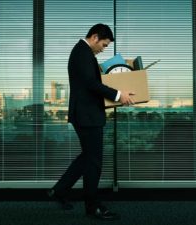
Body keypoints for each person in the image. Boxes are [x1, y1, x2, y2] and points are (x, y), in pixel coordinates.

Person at [47, 23, 134, 221]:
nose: (103, 49)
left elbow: (90, 80)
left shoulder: (83, 53)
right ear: (95, 37)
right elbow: (90, 83)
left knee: (88, 157)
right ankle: (92, 206)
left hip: (86, 114)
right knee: (93, 162)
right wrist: (119, 94)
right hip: (87, 116)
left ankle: (60, 190)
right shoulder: (82, 53)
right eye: (103, 45)